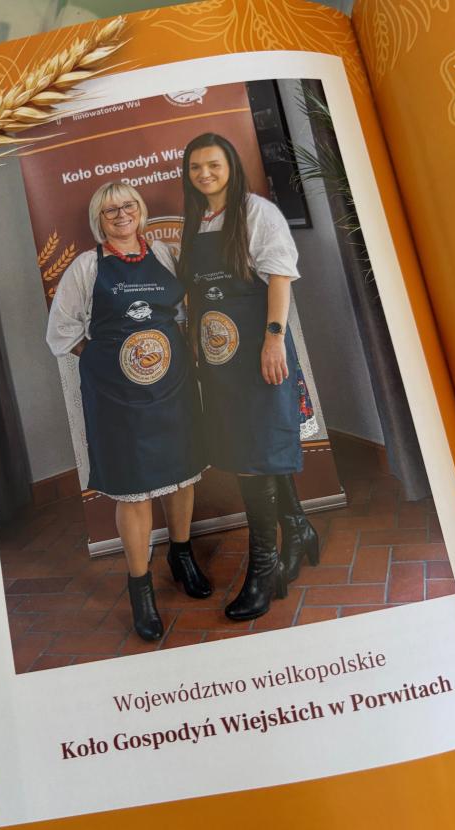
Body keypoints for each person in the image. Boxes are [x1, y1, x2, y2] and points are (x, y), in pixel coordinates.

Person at [46, 181, 210, 642]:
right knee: (133, 490)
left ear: (140, 210)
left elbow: (182, 313)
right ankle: (141, 588)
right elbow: (61, 332)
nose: (121, 214)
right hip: (117, 396)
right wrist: (108, 362)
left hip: (173, 386)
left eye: (128, 206)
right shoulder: (86, 267)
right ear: (99, 219)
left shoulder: (163, 254)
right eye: (110, 210)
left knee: (183, 474)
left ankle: (181, 555)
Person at [178, 132, 319, 622]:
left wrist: (274, 339)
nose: (204, 174)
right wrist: (195, 339)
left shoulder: (257, 212)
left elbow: (279, 277)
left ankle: (264, 566)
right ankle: (298, 528)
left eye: (213, 165)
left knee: (255, 454)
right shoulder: (197, 219)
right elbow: (197, 289)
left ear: (231, 167)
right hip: (221, 360)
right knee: (255, 448)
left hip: (260, 350)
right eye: (195, 167)